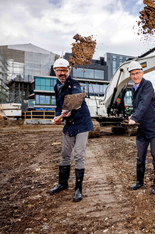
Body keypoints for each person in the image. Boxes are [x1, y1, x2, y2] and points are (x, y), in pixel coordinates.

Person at [49, 58, 94, 202]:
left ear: (69, 70)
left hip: (81, 123)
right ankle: (62, 183)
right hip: (69, 123)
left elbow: (75, 100)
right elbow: (58, 106)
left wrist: (68, 111)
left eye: (65, 70)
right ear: (55, 71)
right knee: (65, 154)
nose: (62, 73)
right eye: (59, 70)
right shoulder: (57, 86)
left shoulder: (74, 84)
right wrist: (58, 116)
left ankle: (78, 190)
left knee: (79, 155)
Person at [128, 60, 155, 195]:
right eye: (132, 74)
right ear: (130, 75)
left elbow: (144, 103)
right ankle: (139, 181)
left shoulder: (147, 85)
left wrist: (135, 117)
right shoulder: (134, 88)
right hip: (142, 128)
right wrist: (133, 115)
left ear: (142, 73)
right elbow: (138, 107)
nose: (135, 76)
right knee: (140, 156)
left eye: (137, 73)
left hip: (154, 128)